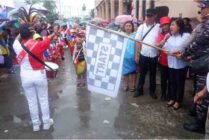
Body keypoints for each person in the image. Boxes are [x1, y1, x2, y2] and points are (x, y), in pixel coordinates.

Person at [174, 0, 209, 133]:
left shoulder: (207, 26)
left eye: (203, 9)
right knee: (200, 90)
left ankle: (200, 124)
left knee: (203, 93)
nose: (201, 12)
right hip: (202, 61)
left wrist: (183, 54)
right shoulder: (204, 24)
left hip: (206, 65)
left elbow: (198, 44)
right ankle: (199, 115)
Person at [13, 24, 55, 132]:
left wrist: (23, 32)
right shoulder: (39, 44)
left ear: (21, 35)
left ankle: (36, 124)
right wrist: (32, 32)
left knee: (31, 101)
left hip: (25, 77)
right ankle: (46, 123)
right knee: (43, 99)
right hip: (39, 75)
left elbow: (17, 38)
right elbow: (49, 38)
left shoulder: (16, 45)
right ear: (32, 33)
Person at [162, 18, 190, 109]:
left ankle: (178, 101)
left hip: (181, 65)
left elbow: (189, 49)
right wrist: (165, 51)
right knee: (172, 82)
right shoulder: (170, 36)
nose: (171, 27)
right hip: (171, 64)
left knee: (180, 83)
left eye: (173, 25)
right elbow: (165, 48)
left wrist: (180, 54)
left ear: (179, 26)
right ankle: (172, 98)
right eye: (171, 25)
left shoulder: (186, 36)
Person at [134, 8, 160, 99]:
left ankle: (152, 91)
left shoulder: (158, 27)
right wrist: (137, 55)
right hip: (143, 54)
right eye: (147, 15)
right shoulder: (141, 27)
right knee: (142, 73)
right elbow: (138, 42)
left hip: (154, 55)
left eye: (150, 16)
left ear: (155, 16)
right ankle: (139, 90)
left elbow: (161, 40)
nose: (148, 17)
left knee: (153, 74)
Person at [156, 16, 171, 100]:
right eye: (163, 25)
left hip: (172, 62)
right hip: (163, 61)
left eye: (167, 24)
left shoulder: (174, 34)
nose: (165, 26)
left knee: (171, 80)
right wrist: (165, 39)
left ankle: (170, 94)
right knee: (163, 79)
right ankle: (163, 94)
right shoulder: (161, 35)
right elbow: (157, 45)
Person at [122, 21, 137, 92]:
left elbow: (138, 46)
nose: (128, 27)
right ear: (124, 27)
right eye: (126, 26)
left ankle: (133, 85)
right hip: (124, 57)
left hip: (132, 57)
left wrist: (137, 56)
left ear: (132, 27)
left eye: (129, 26)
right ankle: (126, 85)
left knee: (133, 73)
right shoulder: (121, 35)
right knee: (125, 73)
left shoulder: (135, 35)